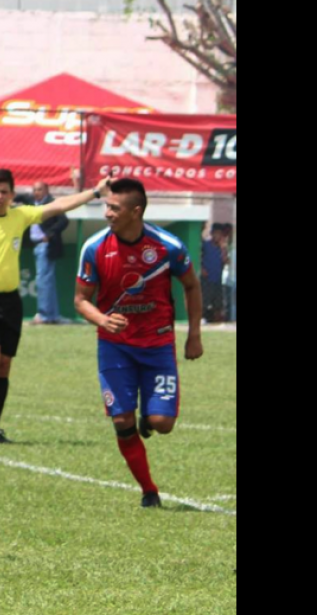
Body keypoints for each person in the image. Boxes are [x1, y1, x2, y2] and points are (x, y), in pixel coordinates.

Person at [0, 169, 112, 444]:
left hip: (10, 301)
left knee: (3, 366)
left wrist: (96, 192)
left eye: (4, 192)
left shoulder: (19, 215)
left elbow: (59, 205)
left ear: (12, 194)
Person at [74, 178, 203, 508]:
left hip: (158, 344)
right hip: (114, 345)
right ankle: (149, 490)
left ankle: (151, 415)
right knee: (121, 420)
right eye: (106, 206)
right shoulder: (95, 248)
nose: (107, 213)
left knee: (162, 424)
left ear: (136, 211)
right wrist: (102, 320)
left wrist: (194, 335)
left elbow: (191, 286)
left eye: (114, 208)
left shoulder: (167, 246)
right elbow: (80, 300)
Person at [26, 181, 69, 325]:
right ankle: (52, 315)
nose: (36, 192)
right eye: (34, 189)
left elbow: (64, 221)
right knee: (47, 281)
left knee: (43, 281)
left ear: (46, 191)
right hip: (36, 245)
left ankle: (44, 315)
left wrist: (49, 234)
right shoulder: (33, 203)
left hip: (46, 245)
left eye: (39, 189)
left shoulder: (51, 203)